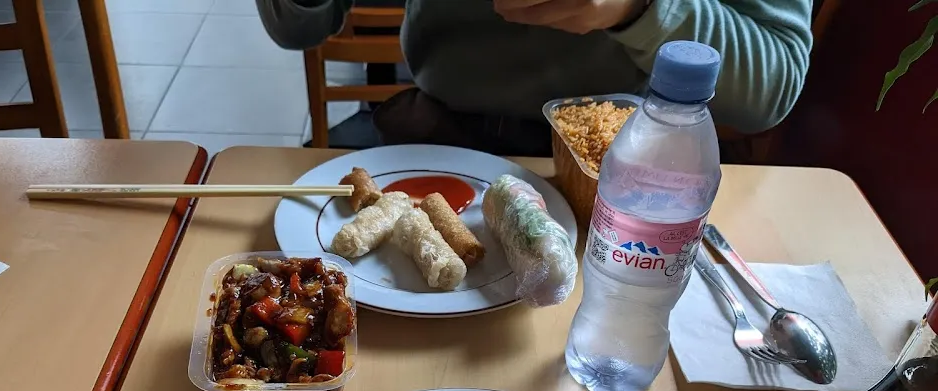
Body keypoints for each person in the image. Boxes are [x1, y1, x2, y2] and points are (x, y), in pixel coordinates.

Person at [257, 0, 814, 156]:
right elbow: (294, 24)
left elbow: (771, 85)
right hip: (431, 135)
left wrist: (642, 9)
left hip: (615, 166)